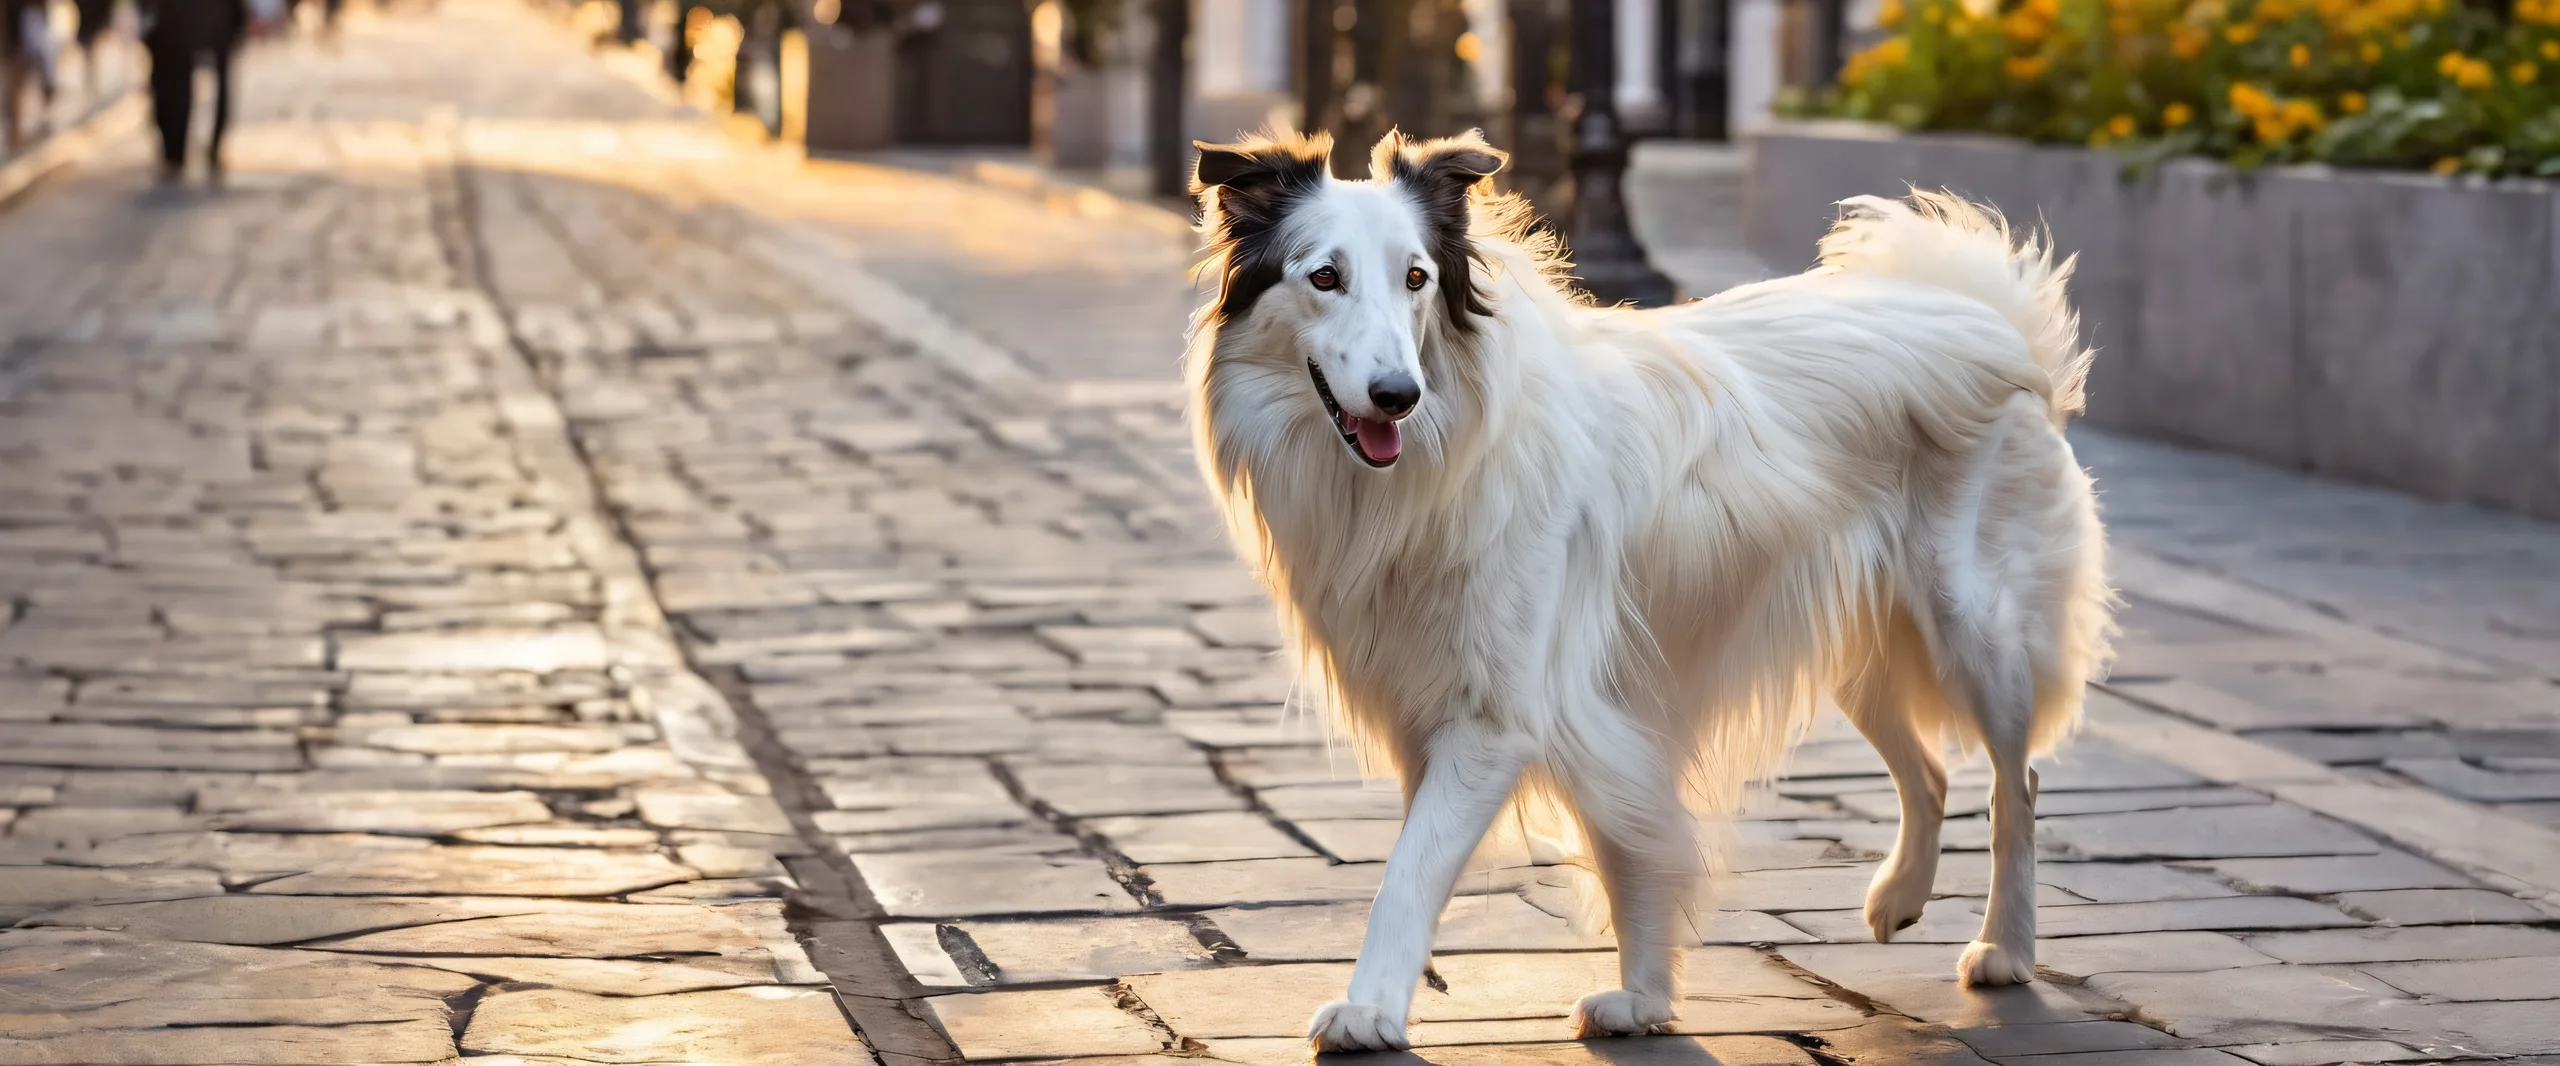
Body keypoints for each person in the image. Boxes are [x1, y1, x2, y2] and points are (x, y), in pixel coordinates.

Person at [137, 0, 249, 180]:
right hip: (195, 19)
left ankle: (177, 151)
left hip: (181, 19)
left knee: (177, 83)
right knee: (177, 84)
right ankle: (182, 149)